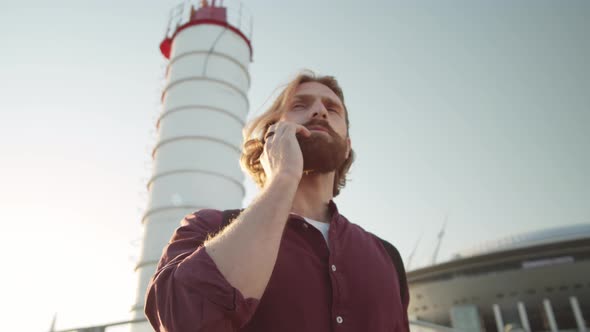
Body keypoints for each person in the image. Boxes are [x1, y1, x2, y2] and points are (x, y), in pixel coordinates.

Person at [144, 71, 410, 331]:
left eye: (332, 108)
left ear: (347, 145)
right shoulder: (207, 225)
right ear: (271, 134)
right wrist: (283, 177)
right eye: (299, 105)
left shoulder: (388, 256)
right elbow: (182, 322)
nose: (319, 111)